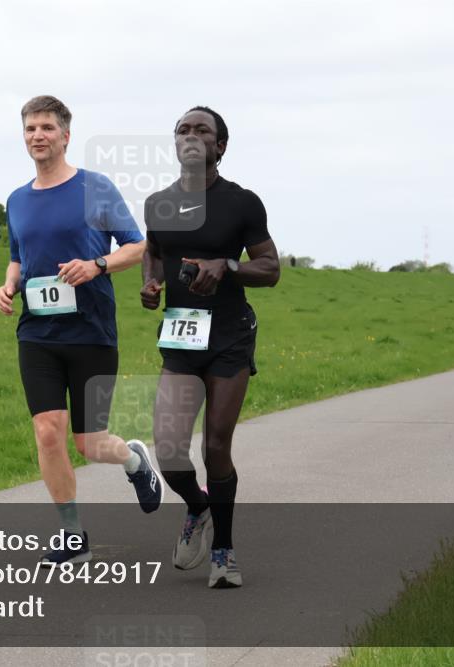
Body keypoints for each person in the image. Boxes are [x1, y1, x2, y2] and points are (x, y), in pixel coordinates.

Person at [0, 95, 161, 566]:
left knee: (89, 444)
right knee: (48, 432)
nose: (37, 136)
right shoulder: (17, 200)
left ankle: (132, 459)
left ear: (65, 135)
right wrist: (8, 286)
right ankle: (71, 533)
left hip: (90, 331)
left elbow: (138, 246)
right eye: (30, 129)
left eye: (46, 127)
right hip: (37, 333)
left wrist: (96, 265)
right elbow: (17, 257)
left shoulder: (95, 188)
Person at [141, 106, 280, 589]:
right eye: (183, 129)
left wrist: (229, 265)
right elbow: (154, 251)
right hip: (181, 335)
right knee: (169, 450)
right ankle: (198, 508)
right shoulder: (158, 203)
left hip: (229, 336)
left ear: (220, 146)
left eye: (203, 130)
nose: (191, 135)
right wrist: (151, 284)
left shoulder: (242, 203)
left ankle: (223, 548)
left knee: (216, 443)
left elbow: (271, 269)